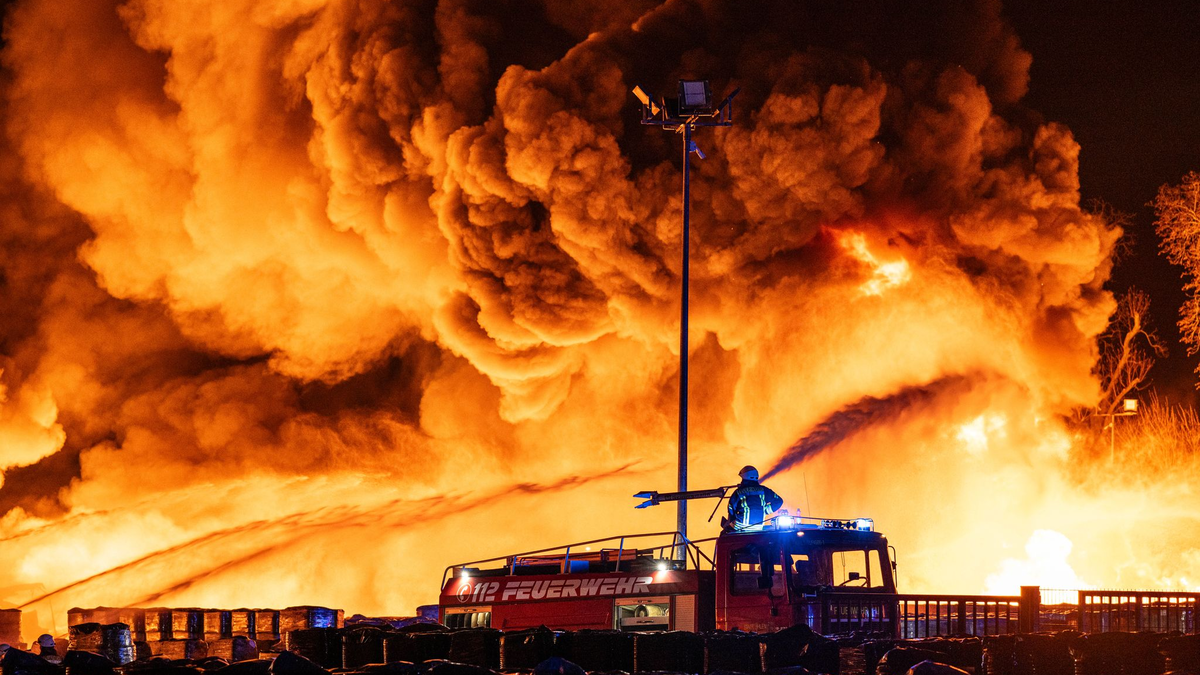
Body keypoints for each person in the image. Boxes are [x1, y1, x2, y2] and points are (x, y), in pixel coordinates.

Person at [726, 465, 783, 531]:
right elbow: (779, 501)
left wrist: (731, 520)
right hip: (758, 528)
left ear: (744, 477)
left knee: (724, 533)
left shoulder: (739, 492)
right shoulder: (764, 490)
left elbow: (731, 507)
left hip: (740, 527)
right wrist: (765, 511)